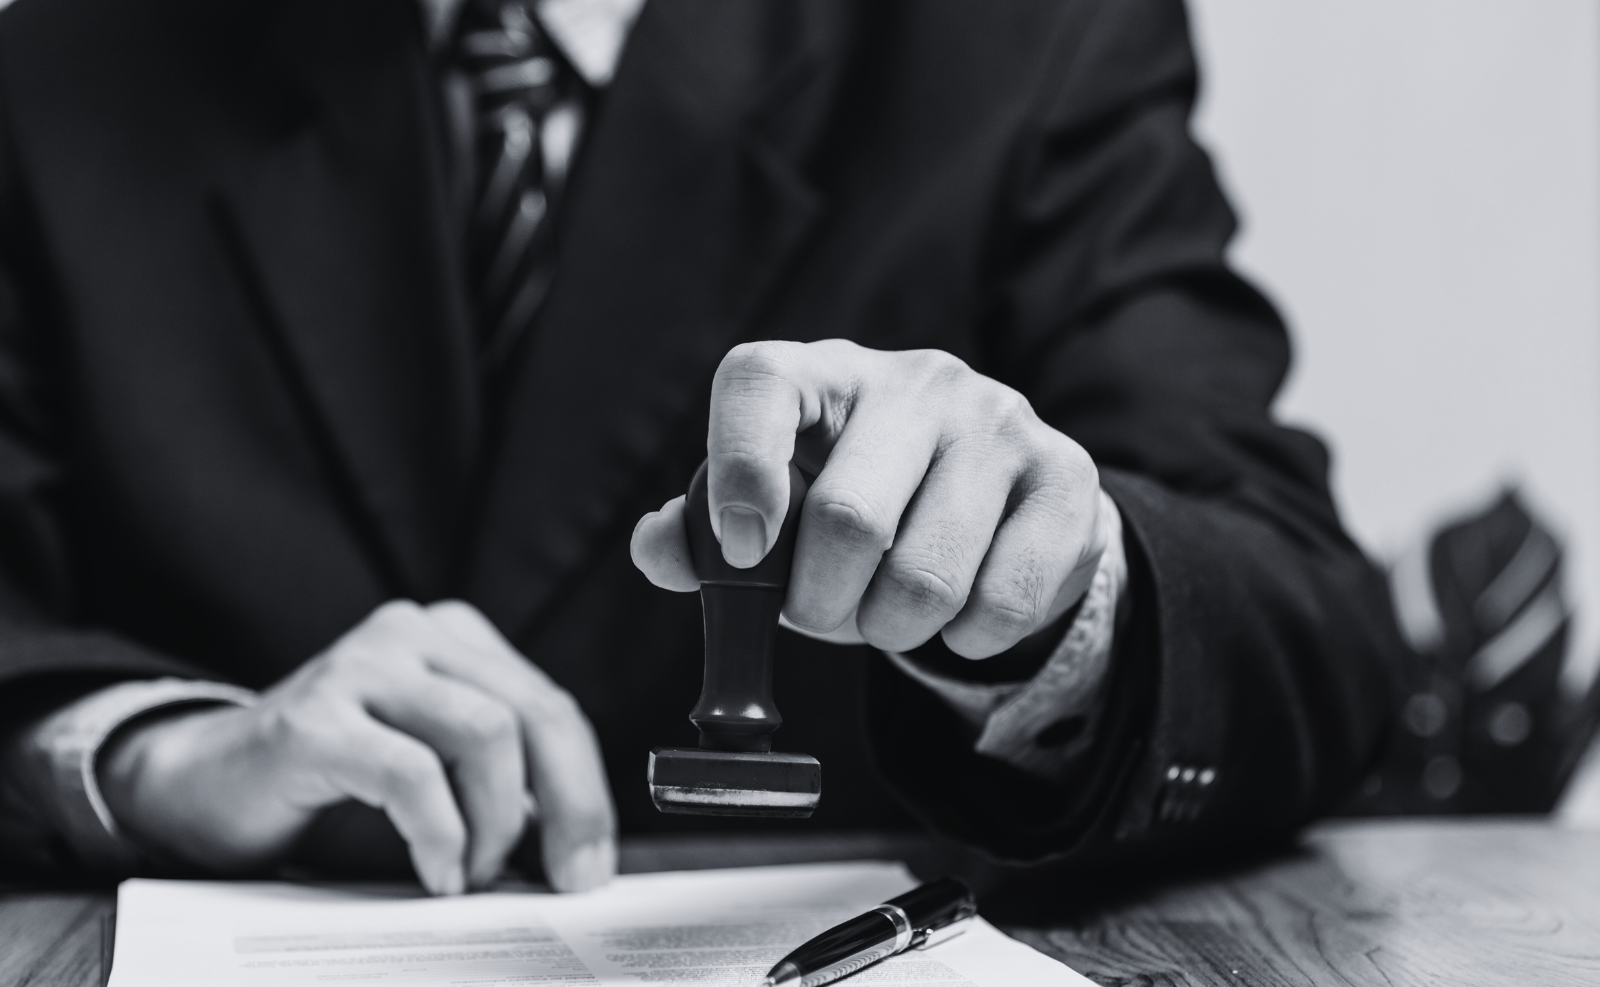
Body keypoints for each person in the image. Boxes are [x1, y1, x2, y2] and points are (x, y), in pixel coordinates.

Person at [0, 0, 1405, 894]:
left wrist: (1057, 595)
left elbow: (1301, 615)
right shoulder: (60, 70)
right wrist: (145, 758)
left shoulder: (1028, 38)